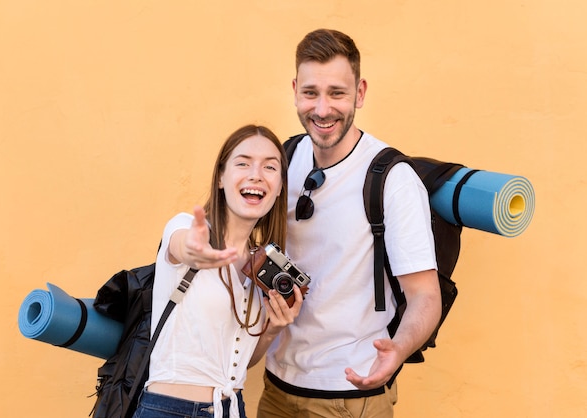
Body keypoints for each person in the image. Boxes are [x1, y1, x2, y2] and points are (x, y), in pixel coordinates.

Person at [170, 29, 442, 418]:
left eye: (337, 93)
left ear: (360, 93)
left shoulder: (391, 179)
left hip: (349, 394)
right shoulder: (283, 158)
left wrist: (398, 350)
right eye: (311, 93)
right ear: (296, 90)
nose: (323, 108)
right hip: (277, 387)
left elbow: (425, 296)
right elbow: (232, 237)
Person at [133, 124, 304, 418]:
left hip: (232, 409)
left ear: (279, 189)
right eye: (243, 163)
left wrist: (273, 328)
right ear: (222, 178)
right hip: (170, 410)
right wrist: (193, 252)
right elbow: (181, 246)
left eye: (270, 167)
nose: (256, 174)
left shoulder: (262, 267)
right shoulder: (186, 227)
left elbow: (239, 364)